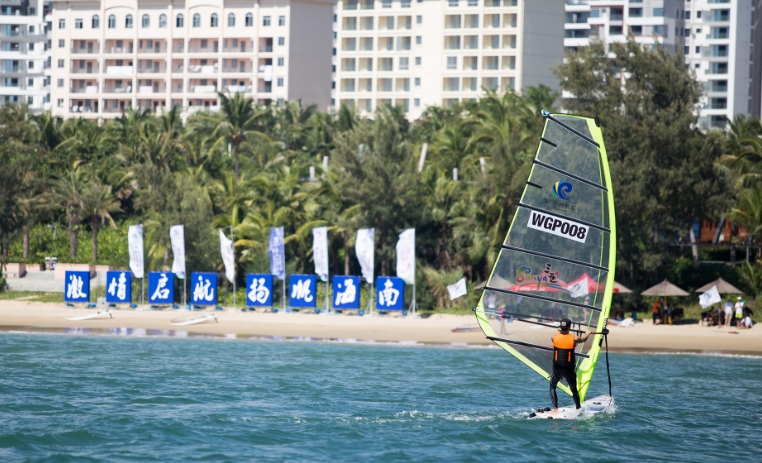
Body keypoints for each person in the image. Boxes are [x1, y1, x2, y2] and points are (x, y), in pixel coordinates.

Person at [549, 318, 592, 412]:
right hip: (568, 370)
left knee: (552, 387)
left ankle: (555, 408)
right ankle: (578, 409)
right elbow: (584, 339)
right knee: (574, 390)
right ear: (569, 327)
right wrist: (588, 333)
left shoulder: (554, 337)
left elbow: (556, 335)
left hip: (557, 369)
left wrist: (558, 331)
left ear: (560, 327)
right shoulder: (574, 338)